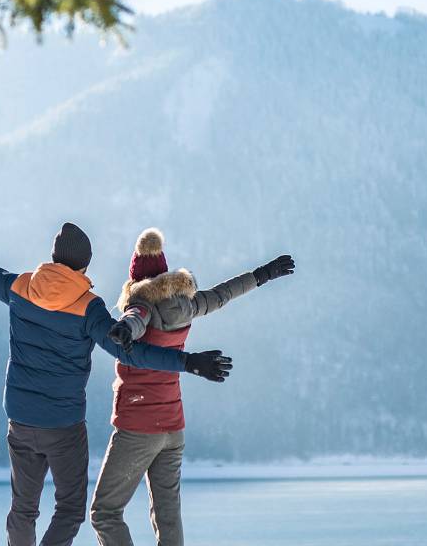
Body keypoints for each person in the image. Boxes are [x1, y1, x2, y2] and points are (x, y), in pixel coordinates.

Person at [0, 206, 235, 546]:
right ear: (84, 266)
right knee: (72, 509)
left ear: (54, 259)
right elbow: (129, 350)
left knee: (23, 508)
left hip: (21, 420)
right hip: (64, 426)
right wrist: (189, 362)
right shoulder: (89, 307)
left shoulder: (19, 287)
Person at [90, 227, 294, 546]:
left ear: (136, 281)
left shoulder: (141, 304)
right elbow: (223, 294)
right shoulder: (189, 305)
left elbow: (136, 316)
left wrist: (125, 329)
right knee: (168, 519)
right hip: (173, 429)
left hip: (139, 426)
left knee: (104, 512)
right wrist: (263, 274)